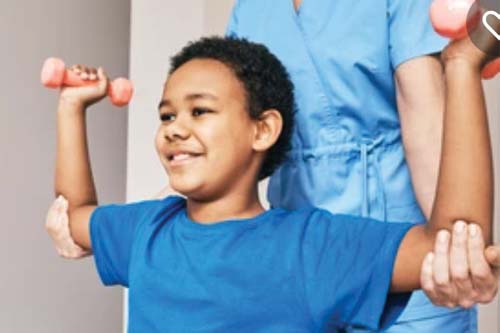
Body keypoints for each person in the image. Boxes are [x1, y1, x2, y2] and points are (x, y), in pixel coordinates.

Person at [50, 27, 498, 332]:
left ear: (262, 129)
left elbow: (455, 241)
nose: (174, 128)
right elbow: (73, 216)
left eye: (199, 111)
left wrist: (460, 68)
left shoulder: (310, 249)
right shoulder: (146, 230)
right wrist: (72, 107)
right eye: (167, 115)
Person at [223, 1, 496, 331]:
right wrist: (158, 223)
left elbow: (427, 130)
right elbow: (228, 149)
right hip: (300, 263)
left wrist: (459, 246)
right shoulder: (251, 10)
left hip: (402, 252)